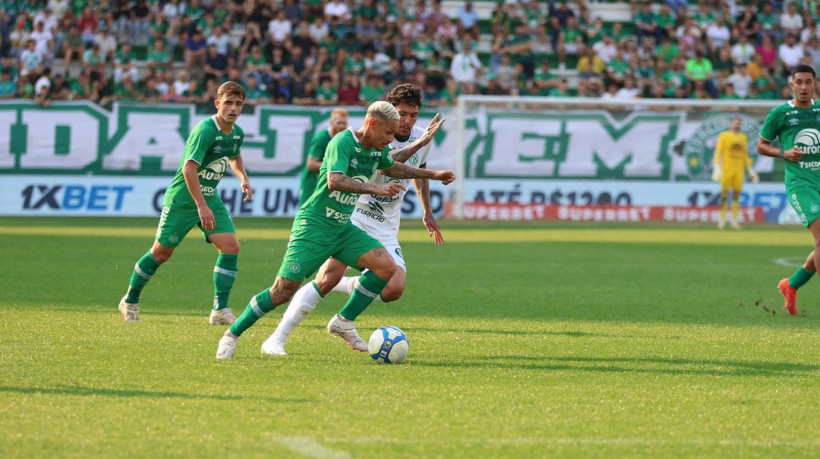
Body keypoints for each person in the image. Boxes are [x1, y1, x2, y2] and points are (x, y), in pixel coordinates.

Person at [215, 101, 454, 359]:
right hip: (315, 225)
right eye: (387, 133)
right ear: (372, 123)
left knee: (386, 267)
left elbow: (394, 167)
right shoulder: (343, 142)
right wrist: (376, 188)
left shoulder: (376, 149)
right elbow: (335, 180)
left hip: (342, 228)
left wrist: (433, 174)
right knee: (282, 291)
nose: (390, 138)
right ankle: (232, 335)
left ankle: (344, 321)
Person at [117, 81, 252, 324]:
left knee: (231, 246)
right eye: (228, 102)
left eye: (238, 104)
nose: (233, 108)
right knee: (162, 252)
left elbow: (234, 156)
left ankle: (220, 310)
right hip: (184, 199)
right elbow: (189, 169)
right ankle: (129, 300)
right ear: (217, 103)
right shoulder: (205, 130)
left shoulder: (237, 133)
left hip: (209, 196)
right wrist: (201, 206)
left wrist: (243, 178)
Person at [757, 64, 820, 316]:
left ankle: (791, 285)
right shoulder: (780, 113)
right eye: (799, 82)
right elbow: (761, 145)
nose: (804, 87)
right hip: (800, 184)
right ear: (792, 85)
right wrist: (784, 153)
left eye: (808, 82)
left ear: (815, 84)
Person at [712, 116, 759, 230]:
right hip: (726, 169)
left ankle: (734, 220)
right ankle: (722, 219)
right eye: (735, 123)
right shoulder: (724, 136)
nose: (737, 125)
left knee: (736, 196)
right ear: (731, 123)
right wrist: (717, 168)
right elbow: (719, 151)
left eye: (739, 123)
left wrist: (750, 170)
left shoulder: (743, 137)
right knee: (724, 195)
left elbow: (745, 155)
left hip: (738, 170)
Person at [298, 108, 349, 205]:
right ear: (331, 123)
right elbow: (311, 164)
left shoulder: (343, 139)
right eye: (339, 123)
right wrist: (334, 166)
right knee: (305, 214)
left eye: (344, 123)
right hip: (312, 182)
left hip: (326, 183)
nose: (342, 126)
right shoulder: (322, 137)